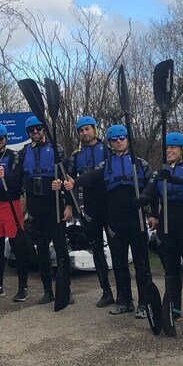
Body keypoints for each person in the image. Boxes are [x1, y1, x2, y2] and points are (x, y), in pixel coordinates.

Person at [65, 124, 154, 319]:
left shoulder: (140, 163)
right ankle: (125, 301)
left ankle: (145, 303)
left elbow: (153, 188)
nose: (118, 141)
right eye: (114, 139)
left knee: (141, 263)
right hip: (115, 219)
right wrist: (74, 183)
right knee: (120, 262)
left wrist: (154, 213)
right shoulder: (106, 164)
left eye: (122, 137)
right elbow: (90, 176)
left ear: (127, 139)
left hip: (136, 218)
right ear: (110, 143)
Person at [0, 116, 71, 305]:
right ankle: (48, 291)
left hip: (54, 204)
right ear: (28, 133)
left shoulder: (56, 149)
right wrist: (3, 175)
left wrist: (61, 186)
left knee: (61, 248)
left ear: (43, 129)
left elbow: (69, 179)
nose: (35, 132)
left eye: (38, 128)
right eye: (31, 130)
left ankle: (66, 290)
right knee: (42, 250)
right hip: (35, 206)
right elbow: (14, 181)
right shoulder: (23, 153)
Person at [140, 131, 183, 330]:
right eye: (167, 148)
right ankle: (175, 308)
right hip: (166, 225)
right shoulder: (160, 171)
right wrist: (139, 203)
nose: (169, 150)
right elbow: (149, 193)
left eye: (173, 147)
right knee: (170, 271)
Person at [66, 115, 115, 308]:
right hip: (89, 206)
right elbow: (68, 183)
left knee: (115, 247)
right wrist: (69, 205)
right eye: (81, 130)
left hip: (109, 204)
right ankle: (106, 291)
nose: (85, 133)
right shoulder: (75, 156)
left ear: (95, 129)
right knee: (96, 248)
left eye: (88, 129)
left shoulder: (108, 150)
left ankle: (123, 293)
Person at [0, 123, 30, 302]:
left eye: (0, 139)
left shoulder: (13, 157)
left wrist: (3, 179)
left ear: (5, 139)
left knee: (18, 247)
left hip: (11, 204)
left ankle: (23, 287)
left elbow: (16, 183)